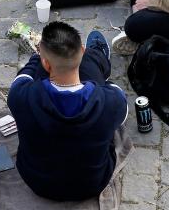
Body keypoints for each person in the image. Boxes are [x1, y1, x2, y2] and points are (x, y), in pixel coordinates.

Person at [7, 22, 128, 202]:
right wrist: (102, 85)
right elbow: (121, 110)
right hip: (92, 183)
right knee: (93, 68)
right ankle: (99, 56)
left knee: (42, 71)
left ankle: (74, 59)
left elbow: (23, 77)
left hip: (38, 182)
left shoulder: (20, 96)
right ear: (82, 49)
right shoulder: (109, 101)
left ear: (46, 63)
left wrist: (36, 58)